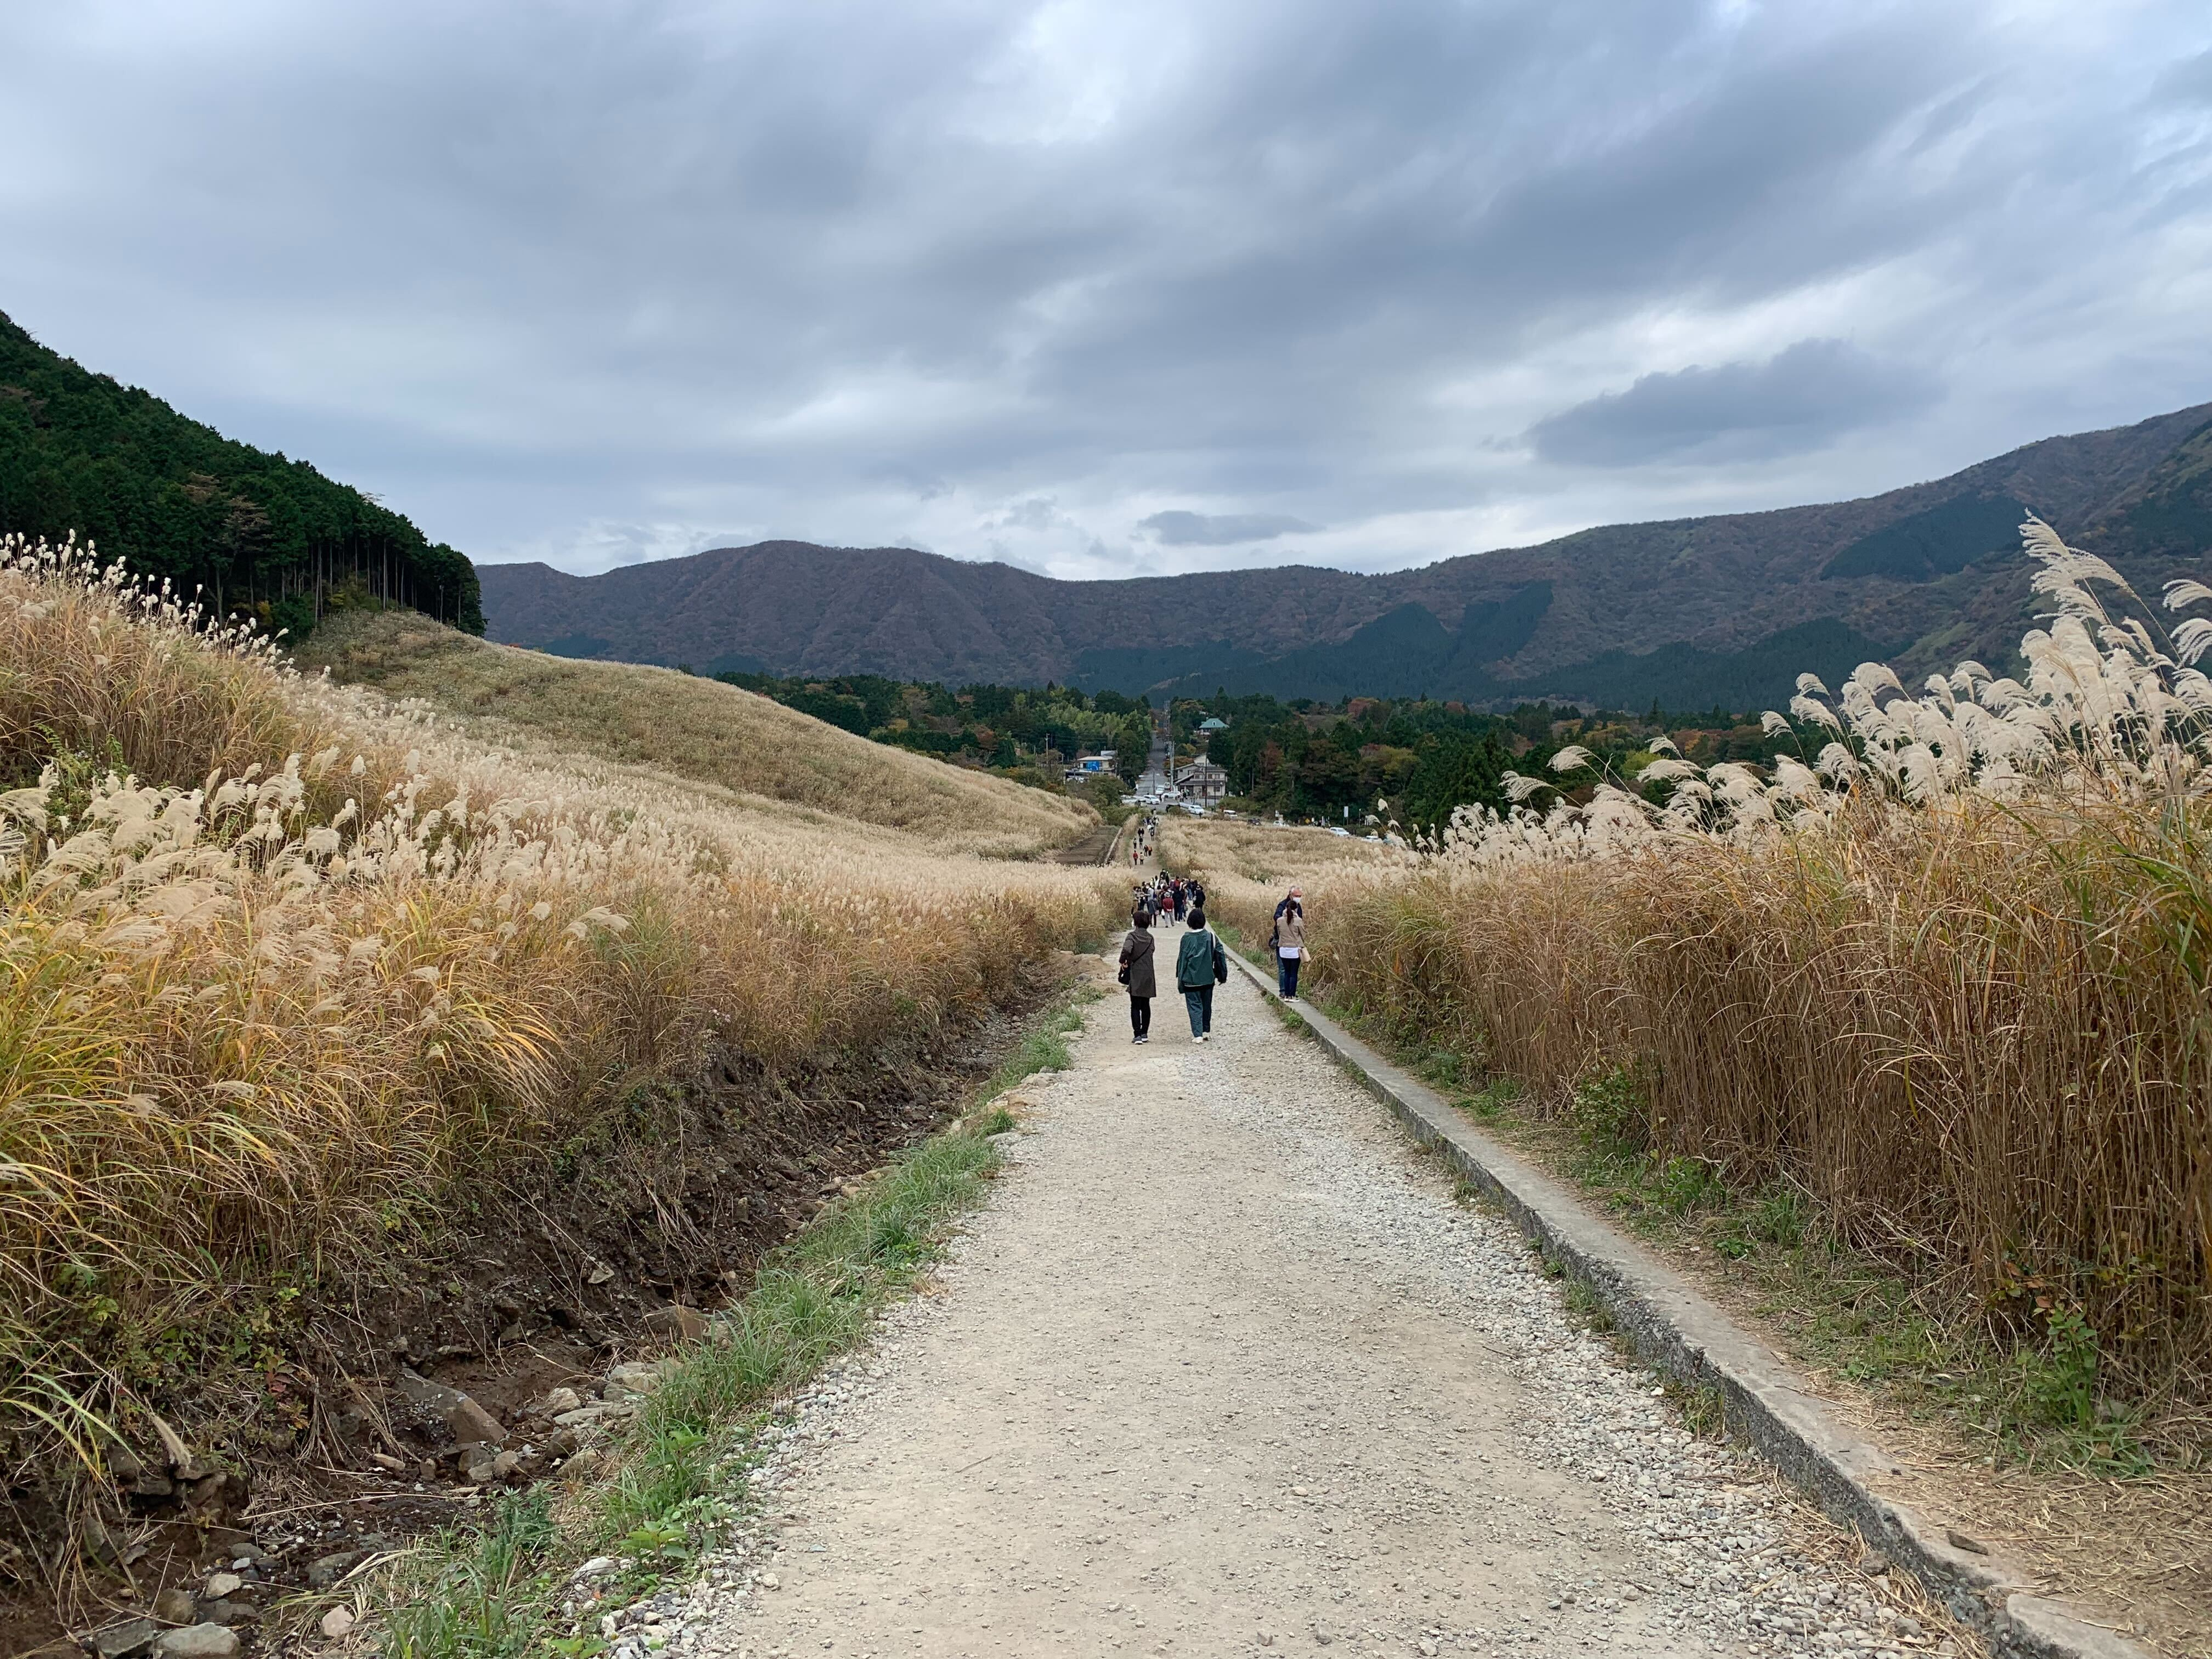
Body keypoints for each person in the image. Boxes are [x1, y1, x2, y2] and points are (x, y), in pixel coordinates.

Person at [1176, 905, 1229, 1041]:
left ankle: (1198, 1034)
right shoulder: (1211, 937)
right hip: (1207, 978)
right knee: (1207, 1005)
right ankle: (1206, 1030)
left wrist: (1180, 979)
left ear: (1190, 922)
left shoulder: (1186, 938)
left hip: (1190, 979)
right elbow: (1220, 956)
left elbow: (1182, 960)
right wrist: (1222, 975)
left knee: (1194, 1006)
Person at [1118, 907, 1157, 1043]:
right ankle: (1145, 1033)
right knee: (1146, 1004)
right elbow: (1151, 951)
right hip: (1148, 973)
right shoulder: (1151, 938)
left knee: (1135, 1005)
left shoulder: (1132, 936)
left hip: (1135, 973)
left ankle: (1137, 1035)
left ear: (1136, 922)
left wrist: (1123, 961)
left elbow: (1127, 950)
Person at [1272, 887, 1306, 999]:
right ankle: (1288, 993)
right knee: (1292, 972)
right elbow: (1303, 933)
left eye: (1300, 896)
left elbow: (1278, 924)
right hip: (1294, 947)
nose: (1299, 898)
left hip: (1283, 946)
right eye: (1297, 896)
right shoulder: (1283, 906)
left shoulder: (1281, 920)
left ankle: (1286, 993)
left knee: (1285, 970)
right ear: (1290, 895)